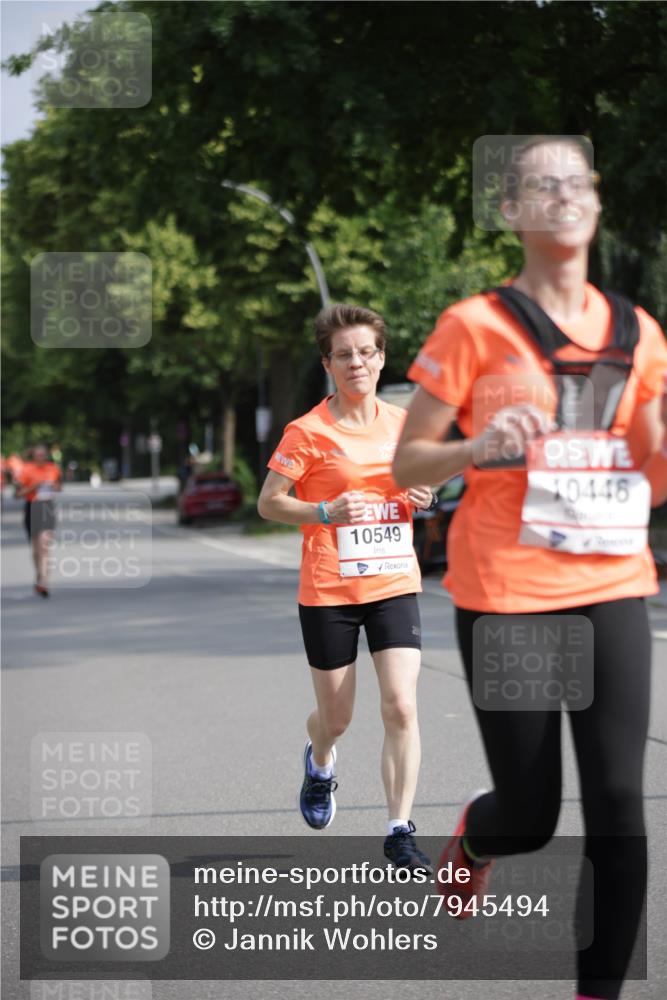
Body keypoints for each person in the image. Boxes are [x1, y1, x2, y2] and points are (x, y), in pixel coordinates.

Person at [393, 136, 667, 1000]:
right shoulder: (474, 325)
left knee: (619, 802)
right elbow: (407, 466)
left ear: (595, 201)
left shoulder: (639, 332)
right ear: (509, 211)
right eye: (538, 186)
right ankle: (478, 835)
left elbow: (650, 480)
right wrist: (477, 444)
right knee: (531, 816)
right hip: (505, 594)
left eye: (576, 181)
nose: (562, 195)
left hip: (613, 583)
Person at [258, 303, 438, 871]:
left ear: (381, 358)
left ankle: (399, 829)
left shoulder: (403, 426)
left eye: (365, 352)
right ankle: (321, 759)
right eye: (344, 355)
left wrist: (424, 495)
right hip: (330, 588)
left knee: (402, 705)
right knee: (336, 717)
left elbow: (423, 483)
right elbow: (268, 503)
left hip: (392, 580)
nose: (356, 362)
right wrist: (324, 510)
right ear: (328, 364)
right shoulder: (306, 432)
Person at [16, 444, 62, 597]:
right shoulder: (26, 470)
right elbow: (17, 494)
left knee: (45, 545)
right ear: (33, 456)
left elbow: (59, 486)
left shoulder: (53, 468)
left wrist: (55, 487)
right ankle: (39, 574)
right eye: (38, 455)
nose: (41, 458)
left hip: (47, 508)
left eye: (44, 455)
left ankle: (44, 582)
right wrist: (33, 487)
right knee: (36, 549)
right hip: (32, 508)